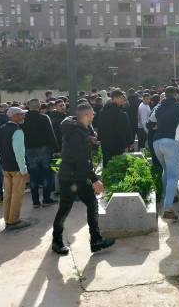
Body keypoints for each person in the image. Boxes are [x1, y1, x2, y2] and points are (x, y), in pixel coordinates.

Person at [51, 103, 115, 255]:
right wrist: (95, 179)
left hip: (79, 176)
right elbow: (80, 159)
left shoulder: (80, 129)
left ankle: (96, 240)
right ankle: (56, 241)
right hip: (70, 177)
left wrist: (91, 141)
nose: (94, 116)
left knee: (92, 204)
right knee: (65, 209)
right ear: (86, 115)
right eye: (92, 114)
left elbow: (83, 153)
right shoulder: (76, 134)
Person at [147, 86, 179, 220]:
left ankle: (167, 197)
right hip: (171, 142)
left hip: (156, 142)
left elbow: (149, 125)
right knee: (173, 175)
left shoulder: (158, 107)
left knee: (166, 170)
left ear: (165, 95)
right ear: (176, 95)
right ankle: (167, 208)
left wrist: (160, 126)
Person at [21, 99, 58, 208]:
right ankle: (46, 199)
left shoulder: (23, 119)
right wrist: (56, 149)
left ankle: (35, 202)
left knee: (33, 176)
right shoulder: (44, 118)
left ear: (28, 106)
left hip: (29, 150)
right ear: (39, 106)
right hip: (44, 150)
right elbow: (51, 134)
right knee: (47, 175)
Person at [0, 107, 31, 230]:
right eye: (21, 114)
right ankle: (14, 221)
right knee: (17, 195)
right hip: (16, 169)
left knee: (8, 195)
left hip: (6, 167)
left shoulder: (1, 129)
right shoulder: (17, 131)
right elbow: (19, 154)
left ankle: (7, 219)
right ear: (15, 116)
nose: (23, 116)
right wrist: (24, 171)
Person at [96, 89, 134, 167]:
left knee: (107, 164)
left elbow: (99, 126)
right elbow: (126, 129)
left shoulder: (102, 111)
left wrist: (100, 138)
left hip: (105, 143)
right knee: (118, 165)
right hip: (118, 143)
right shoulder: (121, 114)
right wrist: (130, 142)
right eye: (120, 97)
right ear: (114, 98)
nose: (123, 99)